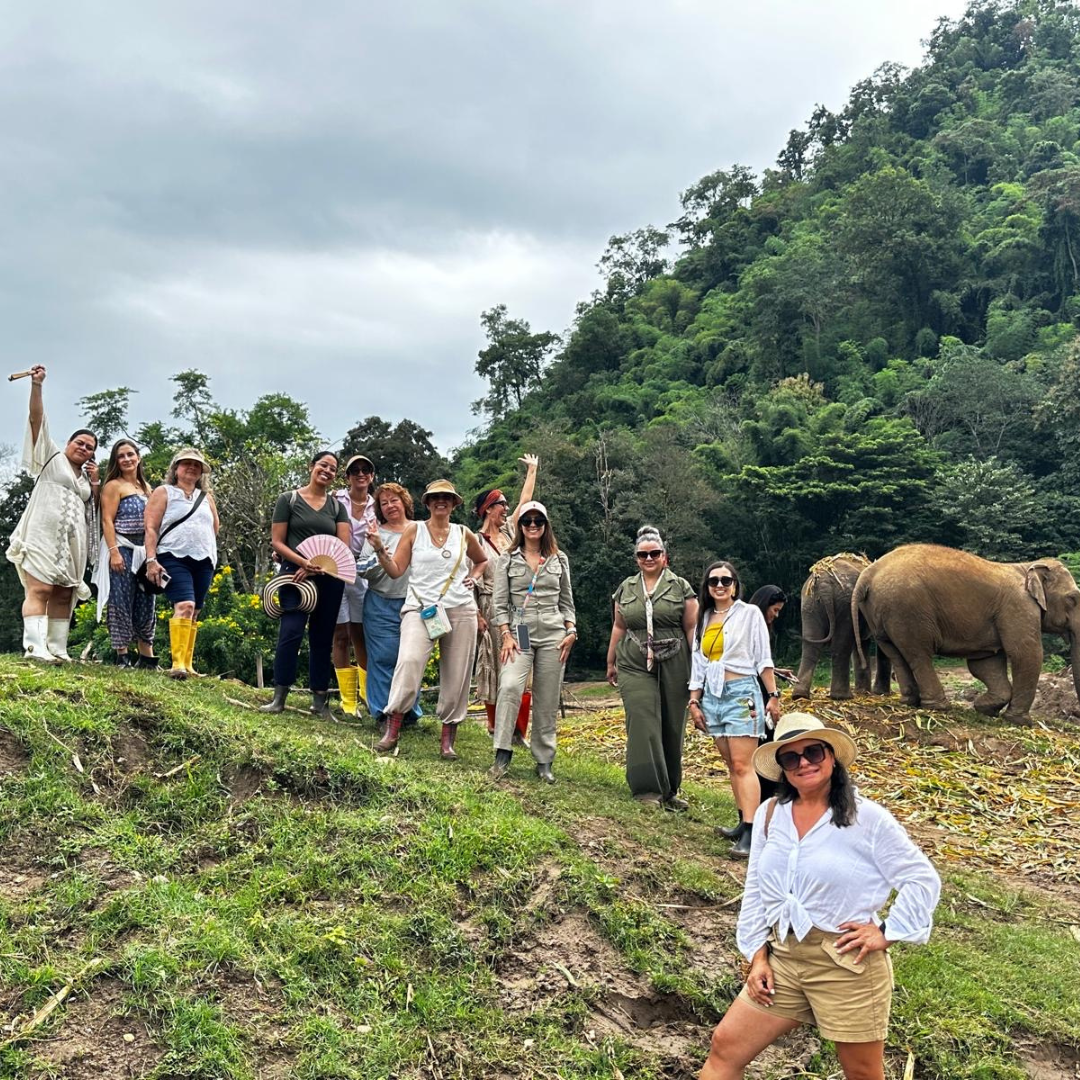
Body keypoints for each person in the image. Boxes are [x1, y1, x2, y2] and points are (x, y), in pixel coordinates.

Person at [699, 712, 941, 1080]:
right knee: (725, 1047)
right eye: (791, 758)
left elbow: (921, 879)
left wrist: (887, 931)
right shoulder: (768, 814)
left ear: (832, 756)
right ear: (781, 768)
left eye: (813, 752)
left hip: (845, 963)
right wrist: (756, 955)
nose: (804, 763)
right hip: (783, 957)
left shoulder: (867, 818)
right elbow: (757, 887)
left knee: (862, 1074)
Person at [370, 479, 488, 759]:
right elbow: (396, 570)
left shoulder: (464, 533)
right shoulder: (414, 530)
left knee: (457, 673)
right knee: (409, 661)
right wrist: (378, 549)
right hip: (420, 607)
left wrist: (473, 577)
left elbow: (482, 560)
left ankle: (448, 739)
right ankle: (393, 727)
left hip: (460, 608)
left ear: (454, 503)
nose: (441, 501)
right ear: (427, 502)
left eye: (447, 497)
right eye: (435, 497)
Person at [6, 365, 99, 662]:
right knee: (42, 587)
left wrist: (95, 483)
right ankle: (34, 647)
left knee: (64, 592)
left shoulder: (85, 480)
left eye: (90, 448)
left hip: (73, 543)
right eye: (79, 443)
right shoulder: (51, 456)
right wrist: (37, 386)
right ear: (69, 443)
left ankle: (57, 648)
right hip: (42, 534)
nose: (83, 449)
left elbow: (95, 509)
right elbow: (36, 420)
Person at [688, 561, 781, 857]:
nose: (719, 586)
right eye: (713, 581)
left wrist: (773, 695)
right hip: (713, 696)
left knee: (743, 765)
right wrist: (694, 700)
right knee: (731, 764)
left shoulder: (749, 614)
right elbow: (698, 663)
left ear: (735, 585)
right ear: (707, 586)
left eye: (725, 581)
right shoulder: (704, 618)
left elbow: (762, 658)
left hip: (742, 693)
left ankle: (753, 834)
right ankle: (743, 821)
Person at [606, 526, 698, 809]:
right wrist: (611, 660)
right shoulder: (626, 588)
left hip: (675, 658)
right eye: (642, 554)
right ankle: (647, 790)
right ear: (636, 558)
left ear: (664, 557)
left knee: (672, 724)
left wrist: (700, 668)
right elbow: (619, 625)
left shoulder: (680, 587)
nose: (649, 558)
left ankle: (669, 790)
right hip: (634, 659)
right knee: (643, 718)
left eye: (654, 553)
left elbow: (692, 627)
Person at [488, 501, 576, 783]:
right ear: (520, 526)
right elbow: (499, 603)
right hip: (521, 629)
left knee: (548, 696)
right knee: (511, 685)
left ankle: (544, 760)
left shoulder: (558, 559)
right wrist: (506, 634)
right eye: (527, 521)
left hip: (553, 630)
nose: (533, 526)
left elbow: (567, 601)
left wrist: (571, 630)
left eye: (539, 521)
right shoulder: (508, 558)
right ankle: (502, 751)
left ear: (546, 525)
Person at [260, 451, 351, 717]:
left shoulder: (337, 507)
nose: (327, 471)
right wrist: (302, 562)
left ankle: (319, 702)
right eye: (323, 465)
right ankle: (279, 697)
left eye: (333, 469)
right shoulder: (288, 499)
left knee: (322, 638)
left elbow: (342, 547)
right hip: (293, 574)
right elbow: (277, 541)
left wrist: (317, 567)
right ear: (311, 466)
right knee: (290, 632)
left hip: (329, 576)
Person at [472, 453, 539, 739]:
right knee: (494, 664)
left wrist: (532, 471)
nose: (506, 509)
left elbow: (524, 503)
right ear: (489, 509)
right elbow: (470, 582)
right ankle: (494, 725)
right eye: (501, 505)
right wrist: (476, 615)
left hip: (519, 610)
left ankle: (519, 730)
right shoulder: (475, 541)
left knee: (523, 659)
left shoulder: (511, 533)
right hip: (489, 608)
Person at [143, 448, 220, 679]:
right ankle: (177, 664)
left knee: (195, 611)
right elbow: (151, 527)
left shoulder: (206, 497)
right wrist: (151, 559)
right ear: (176, 468)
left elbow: (215, 526)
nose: (192, 468)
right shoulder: (164, 492)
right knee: (184, 605)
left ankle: (188, 664)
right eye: (186, 463)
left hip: (204, 558)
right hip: (172, 555)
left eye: (197, 465)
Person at [356, 482, 422, 729]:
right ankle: (384, 713)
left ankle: (409, 712)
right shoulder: (376, 534)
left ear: (405, 501)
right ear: (379, 510)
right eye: (384, 503)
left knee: (411, 658)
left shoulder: (420, 530)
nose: (390, 505)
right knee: (383, 658)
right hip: (380, 603)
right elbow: (361, 569)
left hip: (414, 604)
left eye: (394, 500)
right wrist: (379, 551)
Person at [94, 439, 157, 668]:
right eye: (122, 456)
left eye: (130, 454)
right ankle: (122, 654)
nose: (127, 459)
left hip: (144, 550)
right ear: (116, 461)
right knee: (120, 599)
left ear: (138, 457)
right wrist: (114, 552)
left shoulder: (146, 487)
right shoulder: (114, 486)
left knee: (146, 599)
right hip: (121, 546)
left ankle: (147, 655)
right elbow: (107, 521)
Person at [332, 454, 378, 718]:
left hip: (364, 575)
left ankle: (367, 695)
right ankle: (347, 701)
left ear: (371, 476)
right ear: (347, 476)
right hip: (336, 570)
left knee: (361, 634)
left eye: (366, 470)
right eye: (355, 470)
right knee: (339, 635)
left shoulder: (378, 505)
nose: (361, 474)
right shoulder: (336, 500)